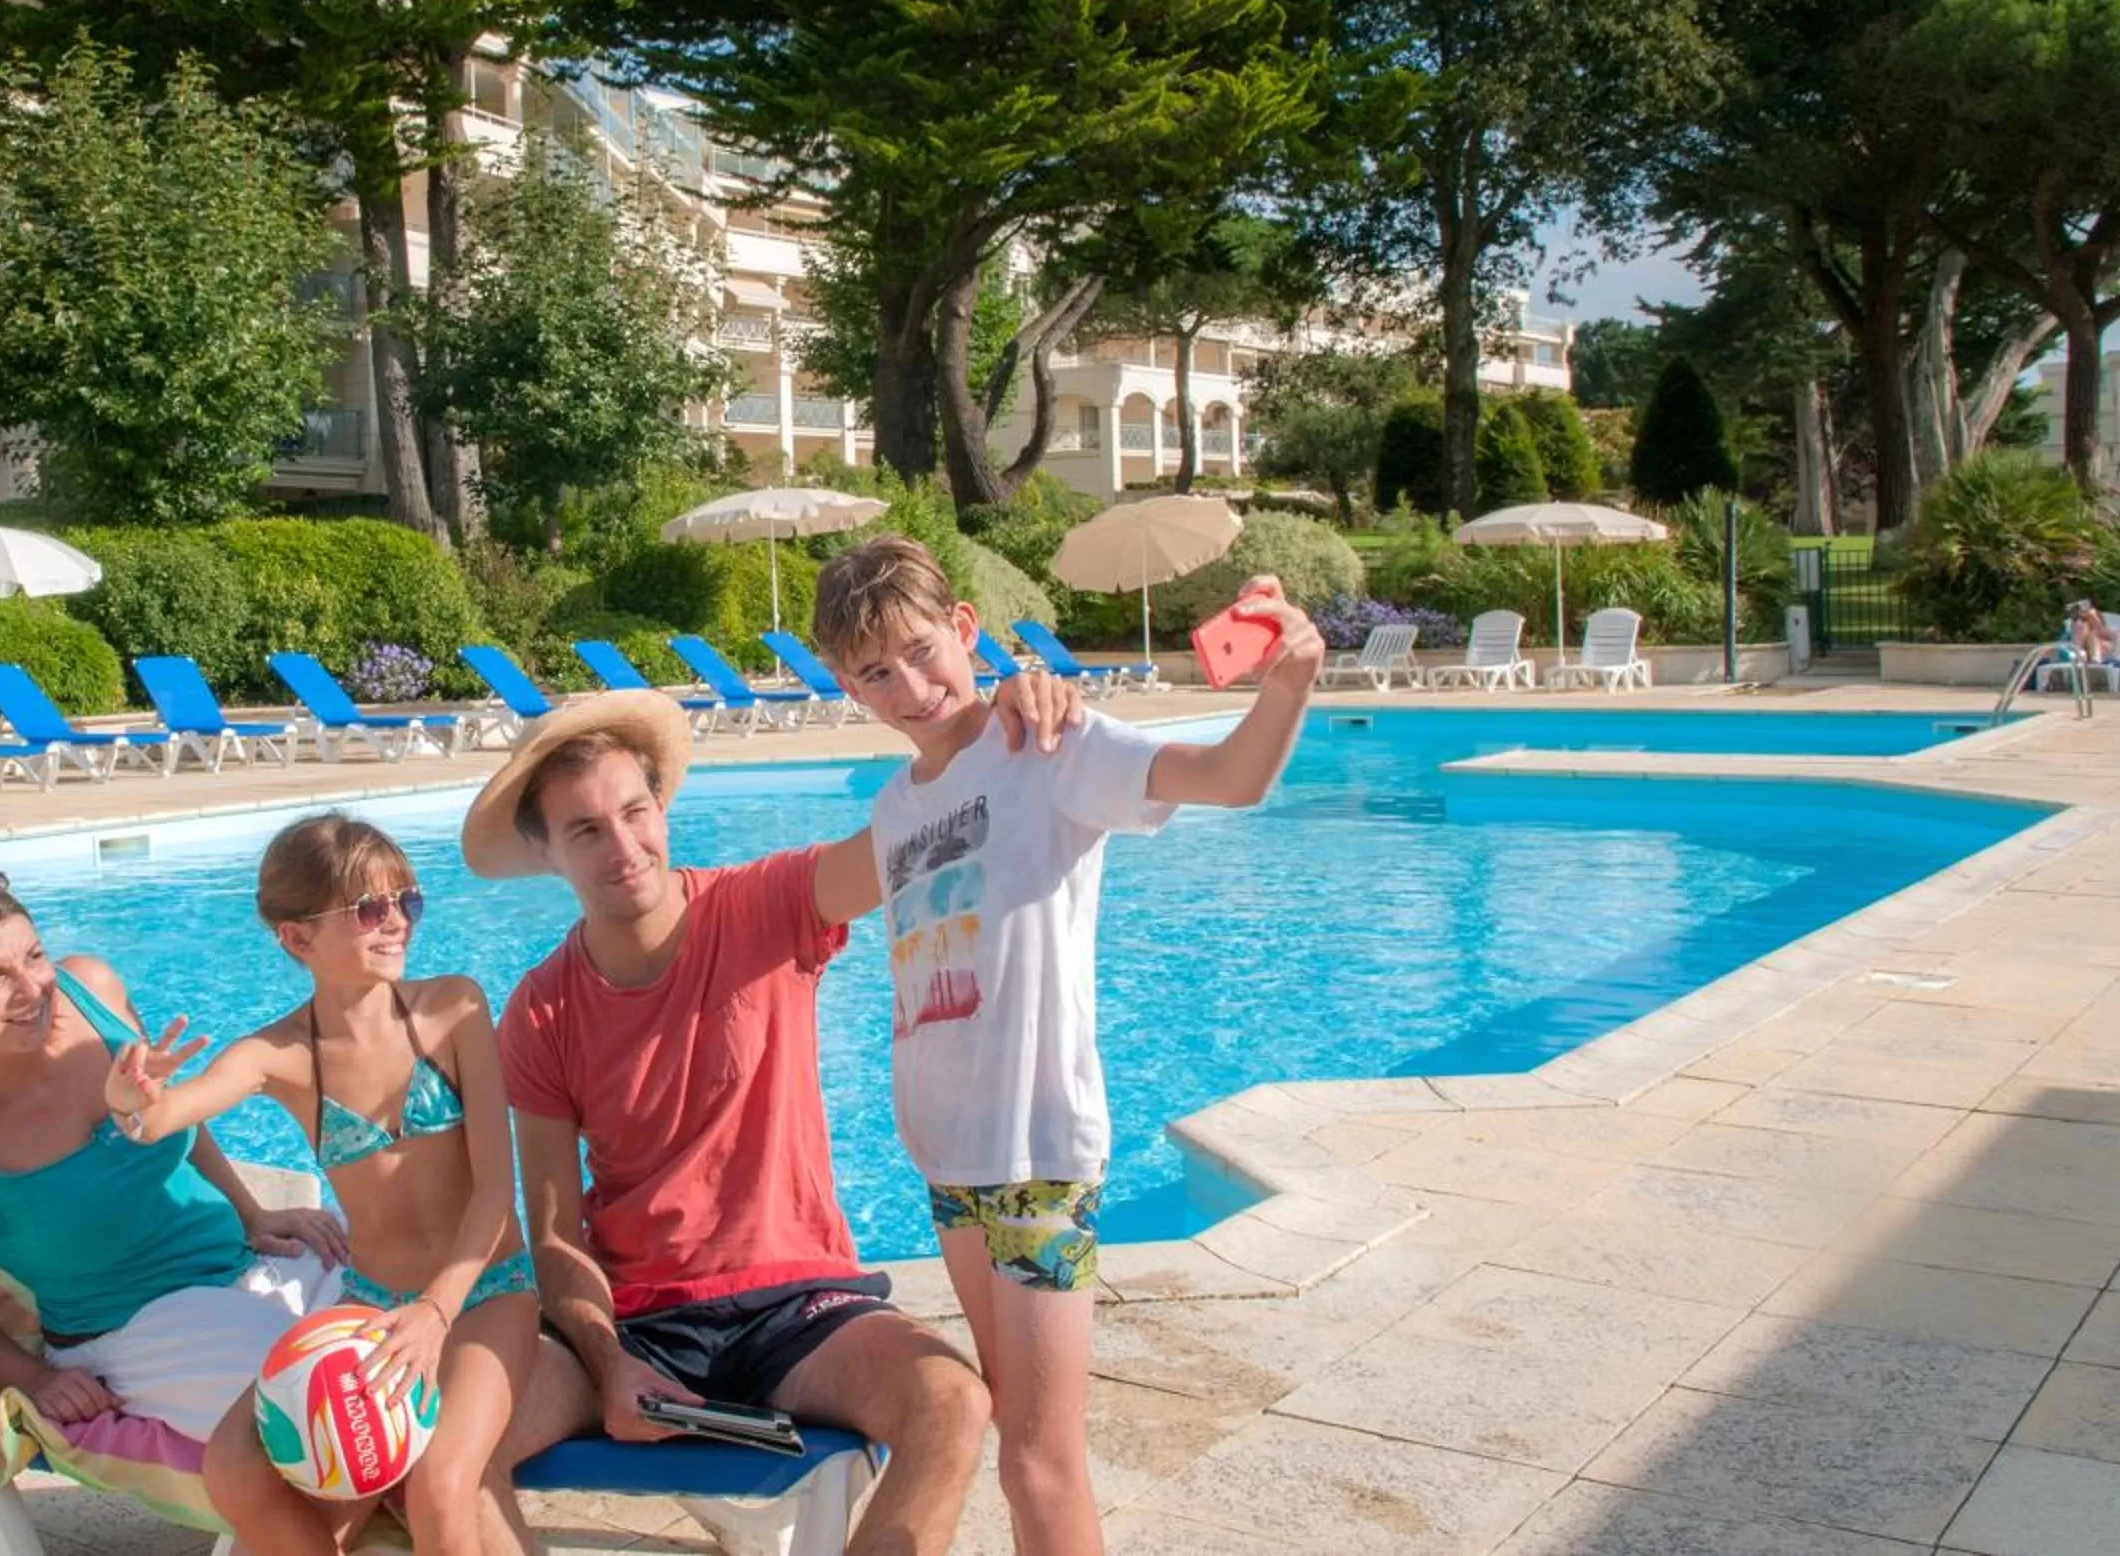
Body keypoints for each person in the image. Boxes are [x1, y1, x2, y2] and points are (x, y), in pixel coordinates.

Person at [479, 670, 1088, 1556]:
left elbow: (917, 838)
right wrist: (612, 1365)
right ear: (549, 854)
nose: (623, 847)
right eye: (585, 830)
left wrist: (983, 731)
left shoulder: (764, 906)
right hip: (632, 1325)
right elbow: (556, 1233)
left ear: (661, 806)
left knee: (950, 1403)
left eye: (634, 812)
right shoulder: (540, 1009)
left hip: (796, 1308)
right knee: (450, 1448)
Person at [810, 535, 1322, 1556]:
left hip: (1036, 1161)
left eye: (923, 651)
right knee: (1015, 1430)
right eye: (876, 671)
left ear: (966, 631)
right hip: (950, 1166)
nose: (910, 685)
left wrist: (1291, 681)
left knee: (1039, 1462)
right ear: (843, 682)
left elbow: (1232, 778)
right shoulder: (893, 806)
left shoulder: (1052, 747)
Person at [109, 813, 539, 1554]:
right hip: (369, 1310)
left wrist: (437, 1312)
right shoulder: (281, 1053)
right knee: (235, 1468)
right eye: (369, 909)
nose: (397, 922)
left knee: (438, 1483)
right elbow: (168, 1115)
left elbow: (498, 1188)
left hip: (483, 1294)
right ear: (297, 938)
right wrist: (131, 1103)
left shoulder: (453, 1008)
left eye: (407, 901)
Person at [0, 873, 348, 1451]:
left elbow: (169, 1108)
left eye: (33, 957)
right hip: (142, 1330)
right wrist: (31, 1377)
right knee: (331, 1406)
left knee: (426, 1273)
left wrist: (253, 1213)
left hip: (254, 1265)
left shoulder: (91, 989)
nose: (32, 989)